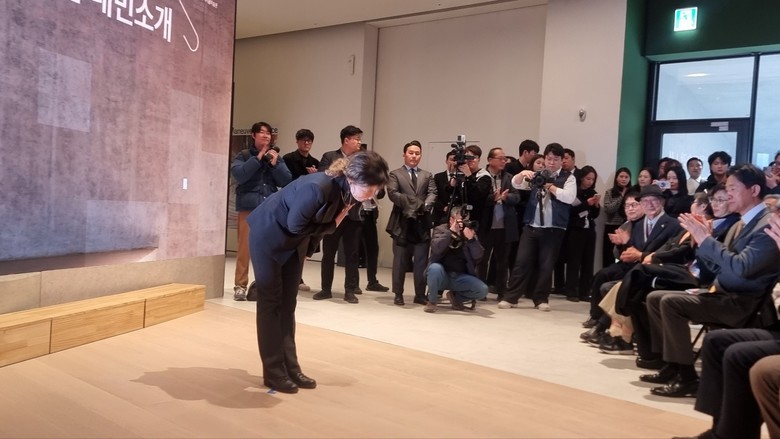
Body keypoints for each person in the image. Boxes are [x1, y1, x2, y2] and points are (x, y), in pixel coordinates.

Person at [247, 151, 389, 393]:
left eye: (375, 189)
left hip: (295, 241)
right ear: (352, 177)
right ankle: (273, 372)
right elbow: (296, 224)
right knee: (271, 304)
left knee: (288, 304)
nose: (371, 194)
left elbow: (310, 226)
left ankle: (291, 368)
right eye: (370, 188)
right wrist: (332, 226)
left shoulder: (348, 191)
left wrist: (312, 246)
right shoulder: (317, 187)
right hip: (269, 236)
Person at [643, 163, 780, 398]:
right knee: (655, 298)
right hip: (723, 291)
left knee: (670, 302)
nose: (728, 194)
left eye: (733, 189)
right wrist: (702, 243)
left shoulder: (767, 225)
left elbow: (742, 268)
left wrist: (706, 240)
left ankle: (687, 377)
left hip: (743, 302)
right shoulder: (743, 222)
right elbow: (719, 267)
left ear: (754, 190)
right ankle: (673, 365)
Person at [582, 184, 681, 343]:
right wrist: (625, 247)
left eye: (654, 200)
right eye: (645, 201)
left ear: (662, 202)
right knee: (607, 279)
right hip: (636, 270)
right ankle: (608, 328)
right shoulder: (639, 225)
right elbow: (631, 250)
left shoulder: (673, 225)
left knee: (622, 287)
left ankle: (609, 331)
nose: (649, 204)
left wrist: (638, 254)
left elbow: (668, 254)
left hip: (655, 272)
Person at [498, 143, 576, 311]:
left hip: (554, 228)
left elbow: (569, 197)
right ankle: (511, 298)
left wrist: (551, 187)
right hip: (532, 226)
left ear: (561, 161)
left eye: (556, 159)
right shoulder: (538, 175)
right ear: (545, 159)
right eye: (549, 159)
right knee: (521, 262)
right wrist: (521, 174)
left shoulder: (568, 178)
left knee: (546, 266)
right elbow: (517, 184)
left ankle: (541, 299)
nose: (551, 163)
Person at [230, 121, 292, 301]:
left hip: (269, 209)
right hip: (248, 208)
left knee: (268, 249)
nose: (266, 136)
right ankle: (240, 286)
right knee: (244, 249)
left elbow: (286, 181)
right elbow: (240, 175)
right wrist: (258, 158)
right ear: (253, 135)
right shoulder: (244, 155)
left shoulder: (276, 157)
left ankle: (263, 286)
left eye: (269, 133)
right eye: (262, 133)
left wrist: (275, 164)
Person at [313, 125, 365, 303]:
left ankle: (350, 290)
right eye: (356, 139)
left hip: (353, 213)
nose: (359, 142)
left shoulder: (361, 159)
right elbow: (323, 178)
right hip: (333, 213)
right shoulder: (329, 157)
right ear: (346, 140)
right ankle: (325, 289)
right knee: (329, 253)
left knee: (352, 254)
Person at [386, 140, 437, 306]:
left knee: (421, 261)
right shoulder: (395, 174)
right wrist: (414, 204)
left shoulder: (427, 175)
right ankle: (398, 294)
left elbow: (432, 193)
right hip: (402, 222)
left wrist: (424, 206)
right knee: (400, 261)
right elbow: (393, 194)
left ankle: (420, 294)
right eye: (411, 153)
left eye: (417, 153)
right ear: (404, 154)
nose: (414, 156)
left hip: (422, 222)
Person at [424, 206, 489, 313]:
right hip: (441, 275)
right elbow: (436, 248)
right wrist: (450, 232)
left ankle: (456, 298)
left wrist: (471, 240)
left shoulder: (468, 232)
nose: (463, 224)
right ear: (451, 220)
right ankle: (432, 301)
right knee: (434, 268)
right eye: (460, 221)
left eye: (466, 221)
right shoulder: (441, 229)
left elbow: (478, 256)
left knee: (482, 290)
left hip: (460, 277)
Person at [476, 147, 520, 298]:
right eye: (500, 158)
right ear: (490, 160)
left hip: (504, 226)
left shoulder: (509, 177)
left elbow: (517, 197)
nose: (504, 161)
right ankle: (480, 291)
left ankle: (502, 291)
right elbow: (478, 199)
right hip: (486, 225)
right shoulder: (481, 176)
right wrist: (492, 199)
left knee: (502, 261)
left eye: (505, 158)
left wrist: (507, 198)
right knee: (482, 260)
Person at [282, 128, 320, 292]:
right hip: (291, 205)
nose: (306, 143)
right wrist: (308, 177)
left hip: (308, 207)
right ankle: (286, 276)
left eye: (309, 140)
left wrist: (315, 176)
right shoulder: (288, 159)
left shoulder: (315, 162)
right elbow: (287, 182)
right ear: (297, 141)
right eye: (303, 140)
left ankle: (297, 278)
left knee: (304, 244)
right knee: (288, 241)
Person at [561, 165, 601, 302]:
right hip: (575, 230)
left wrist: (596, 205)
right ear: (581, 178)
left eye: (592, 179)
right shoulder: (574, 192)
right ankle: (571, 291)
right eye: (587, 178)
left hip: (589, 230)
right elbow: (570, 212)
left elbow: (594, 215)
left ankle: (585, 291)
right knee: (574, 261)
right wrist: (586, 204)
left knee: (588, 262)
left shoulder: (592, 192)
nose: (590, 181)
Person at [602, 167, 632, 267]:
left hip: (627, 227)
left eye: (626, 177)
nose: (624, 179)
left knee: (625, 256)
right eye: (621, 176)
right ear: (616, 178)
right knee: (609, 256)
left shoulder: (632, 193)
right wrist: (621, 197)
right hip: (612, 226)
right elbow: (609, 209)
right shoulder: (610, 192)